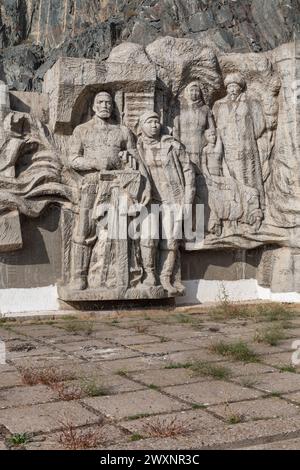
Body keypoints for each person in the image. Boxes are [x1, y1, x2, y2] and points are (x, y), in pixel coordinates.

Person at [68, 91, 137, 290]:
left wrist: (128, 159)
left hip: (118, 184)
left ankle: (115, 276)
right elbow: (72, 159)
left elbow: (134, 160)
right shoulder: (82, 130)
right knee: (84, 229)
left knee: (118, 231)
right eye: (101, 102)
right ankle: (78, 276)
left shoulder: (123, 131)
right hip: (92, 183)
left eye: (108, 102)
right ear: (93, 106)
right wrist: (95, 163)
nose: (105, 105)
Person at [137, 111, 195, 295]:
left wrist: (187, 199)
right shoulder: (136, 146)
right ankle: (149, 274)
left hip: (172, 198)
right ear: (141, 125)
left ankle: (165, 277)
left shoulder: (172, 145)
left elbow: (188, 170)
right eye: (149, 122)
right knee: (148, 238)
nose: (154, 125)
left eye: (156, 121)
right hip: (148, 201)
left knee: (171, 241)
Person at [213, 72, 266, 230]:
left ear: (240, 88)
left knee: (248, 178)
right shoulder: (218, 104)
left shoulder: (251, 102)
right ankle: (233, 215)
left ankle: (253, 213)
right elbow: (215, 126)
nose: (232, 90)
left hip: (246, 147)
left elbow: (259, 125)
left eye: (235, 86)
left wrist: (245, 135)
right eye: (229, 87)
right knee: (231, 179)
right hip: (227, 149)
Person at [173, 81, 215, 172]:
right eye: (191, 90)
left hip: (201, 142)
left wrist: (210, 142)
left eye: (197, 91)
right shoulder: (180, 108)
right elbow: (176, 128)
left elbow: (211, 128)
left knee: (201, 166)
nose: (194, 93)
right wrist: (177, 142)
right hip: (184, 142)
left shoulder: (205, 109)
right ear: (186, 92)